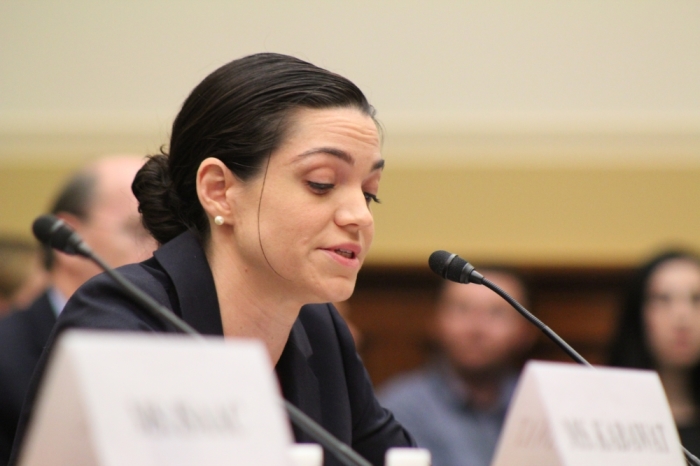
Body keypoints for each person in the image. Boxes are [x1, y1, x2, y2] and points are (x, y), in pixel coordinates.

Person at [9, 53, 414, 466]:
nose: (360, 217)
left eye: (369, 193)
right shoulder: (121, 319)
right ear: (219, 190)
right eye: (321, 183)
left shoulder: (320, 326)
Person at [0, 155, 157, 466]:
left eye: (167, 233)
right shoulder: (6, 356)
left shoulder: (177, 341)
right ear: (67, 241)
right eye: (138, 230)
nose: (157, 250)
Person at [379, 269, 537, 466]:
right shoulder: (399, 409)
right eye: (462, 309)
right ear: (435, 321)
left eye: (496, 313)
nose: (477, 328)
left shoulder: (540, 406)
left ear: (526, 331)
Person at [608, 250, 700, 455]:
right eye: (663, 299)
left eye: (696, 299)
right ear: (638, 314)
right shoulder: (604, 417)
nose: (682, 318)